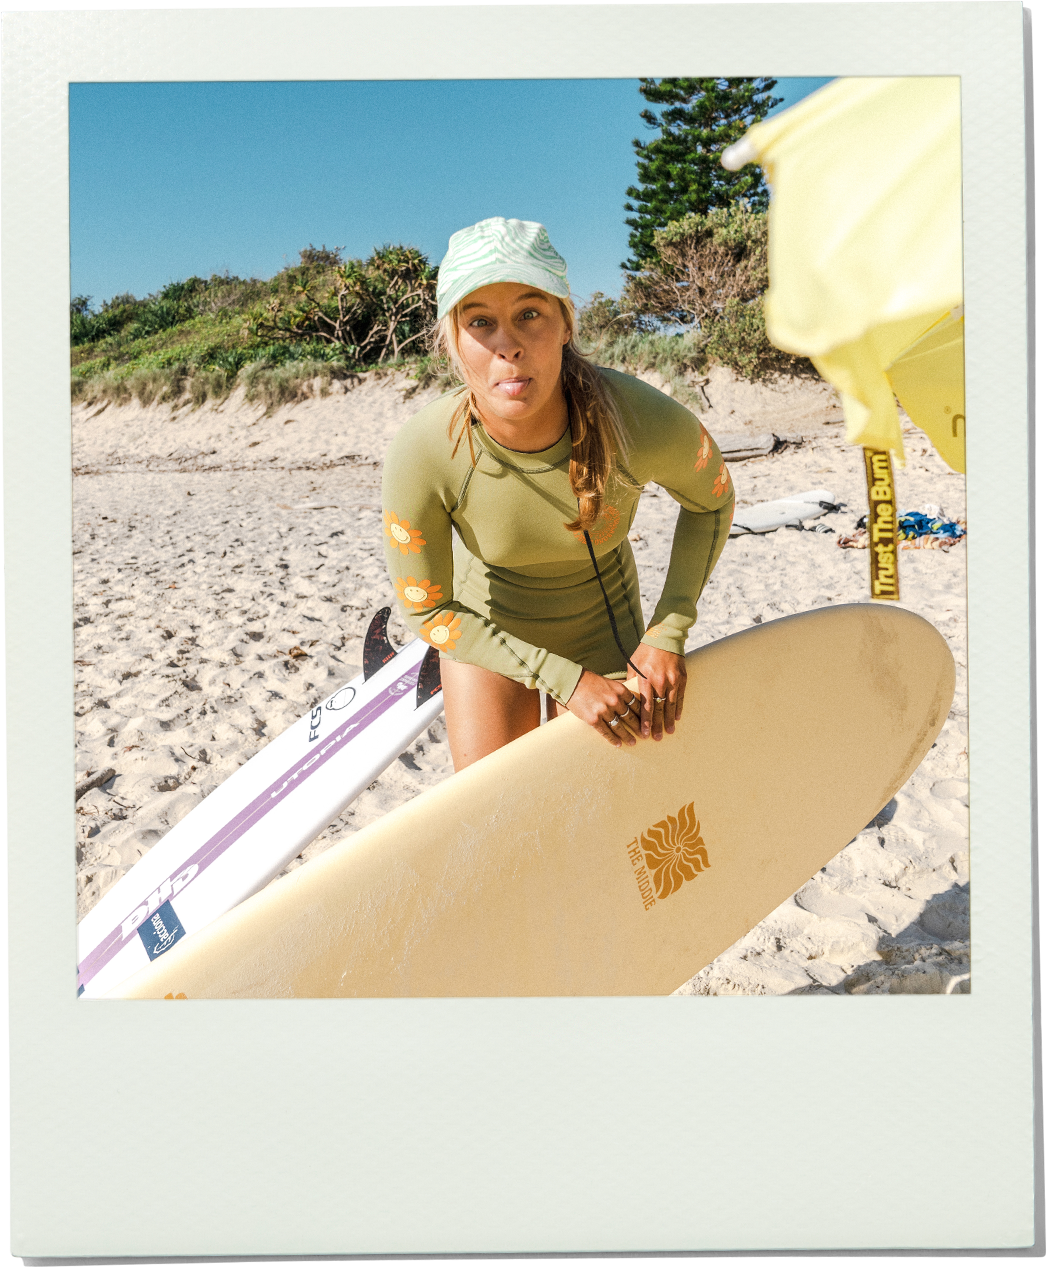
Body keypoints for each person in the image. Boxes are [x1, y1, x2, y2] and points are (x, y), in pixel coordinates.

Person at [381, 217, 734, 771]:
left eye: (530, 314)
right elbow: (428, 608)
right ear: (454, 342)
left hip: (607, 632)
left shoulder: (635, 419)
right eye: (480, 322)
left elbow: (712, 498)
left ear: (565, 323)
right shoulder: (425, 451)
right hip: (489, 636)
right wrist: (567, 683)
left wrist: (668, 631)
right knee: (500, 818)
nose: (508, 346)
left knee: (612, 825)